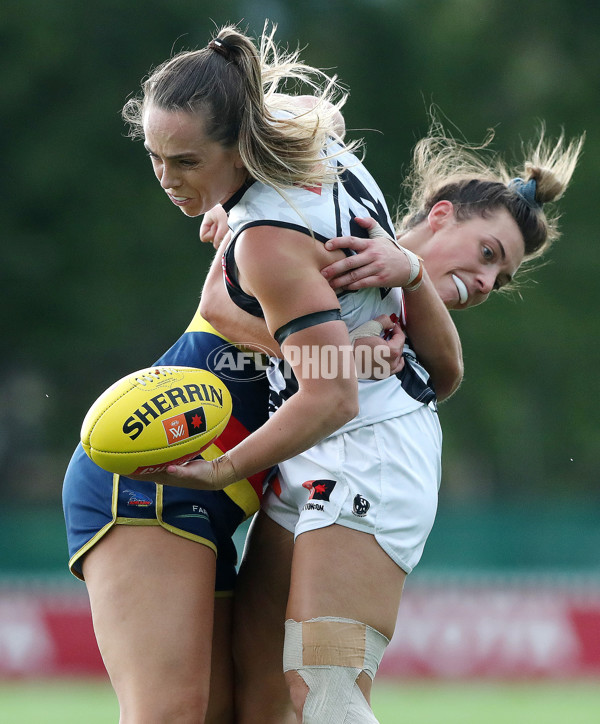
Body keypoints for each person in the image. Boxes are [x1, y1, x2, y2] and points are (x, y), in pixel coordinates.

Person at [63, 23, 462, 724]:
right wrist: (347, 352)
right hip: (155, 480)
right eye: (155, 157)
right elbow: (308, 368)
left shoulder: (278, 218)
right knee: (180, 716)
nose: (166, 179)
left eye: (185, 161)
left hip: (243, 475)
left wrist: (386, 311)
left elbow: (339, 385)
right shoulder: (281, 201)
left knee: (265, 707)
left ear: (243, 143)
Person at [195, 125, 583, 723]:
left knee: (327, 688)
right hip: (306, 463)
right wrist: (239, 223)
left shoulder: (402, 284)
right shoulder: (335, 227)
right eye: (487, 253)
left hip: (372, 465)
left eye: (500, 279)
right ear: (443, 213)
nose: (485, 282)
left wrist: (412, 274)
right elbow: (219, 306)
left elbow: (449, 373)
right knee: (258, 699)